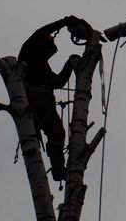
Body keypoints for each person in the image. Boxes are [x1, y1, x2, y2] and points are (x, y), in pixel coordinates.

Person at [18, 16, 92, 181]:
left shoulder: (42, 65)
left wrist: (70, 63)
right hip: (35, 96)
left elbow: (57, 82)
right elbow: (41, 32)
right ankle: (57, 166)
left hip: (41, 100)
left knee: (57, 133)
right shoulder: (29, 50)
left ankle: (58, 167)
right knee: (56, 132)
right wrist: (64, 22)